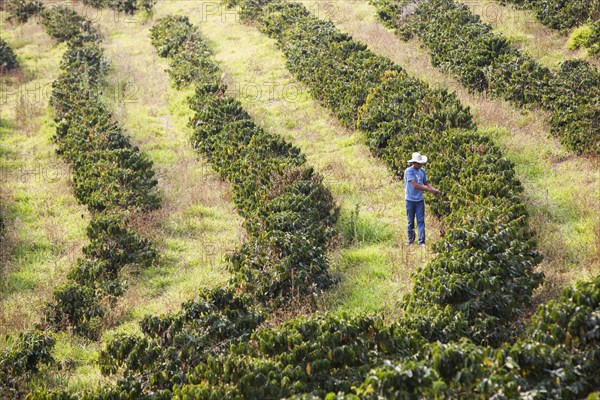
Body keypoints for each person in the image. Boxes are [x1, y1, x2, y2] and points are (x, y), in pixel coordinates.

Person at [404, 152, 441, 245]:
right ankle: (411, 240)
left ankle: (421, 242)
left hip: (419, 200)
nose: (420, 165)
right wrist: (428, 189)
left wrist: (433, 190)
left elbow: (426, 183)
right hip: (410, 200)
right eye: (418, 163)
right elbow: (415, 185)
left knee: (421, 221)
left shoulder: (422, 171)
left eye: (421, 163)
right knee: (410, 221)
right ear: (414, 163)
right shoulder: (409, 171)